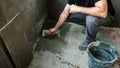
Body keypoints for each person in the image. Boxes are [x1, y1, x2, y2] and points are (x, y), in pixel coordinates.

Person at [47, 0, 115, 51]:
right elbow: (65, 12)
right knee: (71, 15)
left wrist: (78, 8)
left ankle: (90, 40)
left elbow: (103, 13)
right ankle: (91, 27)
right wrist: (55, 28)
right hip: (91, 14)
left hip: (106, 16)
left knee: (91, 19)